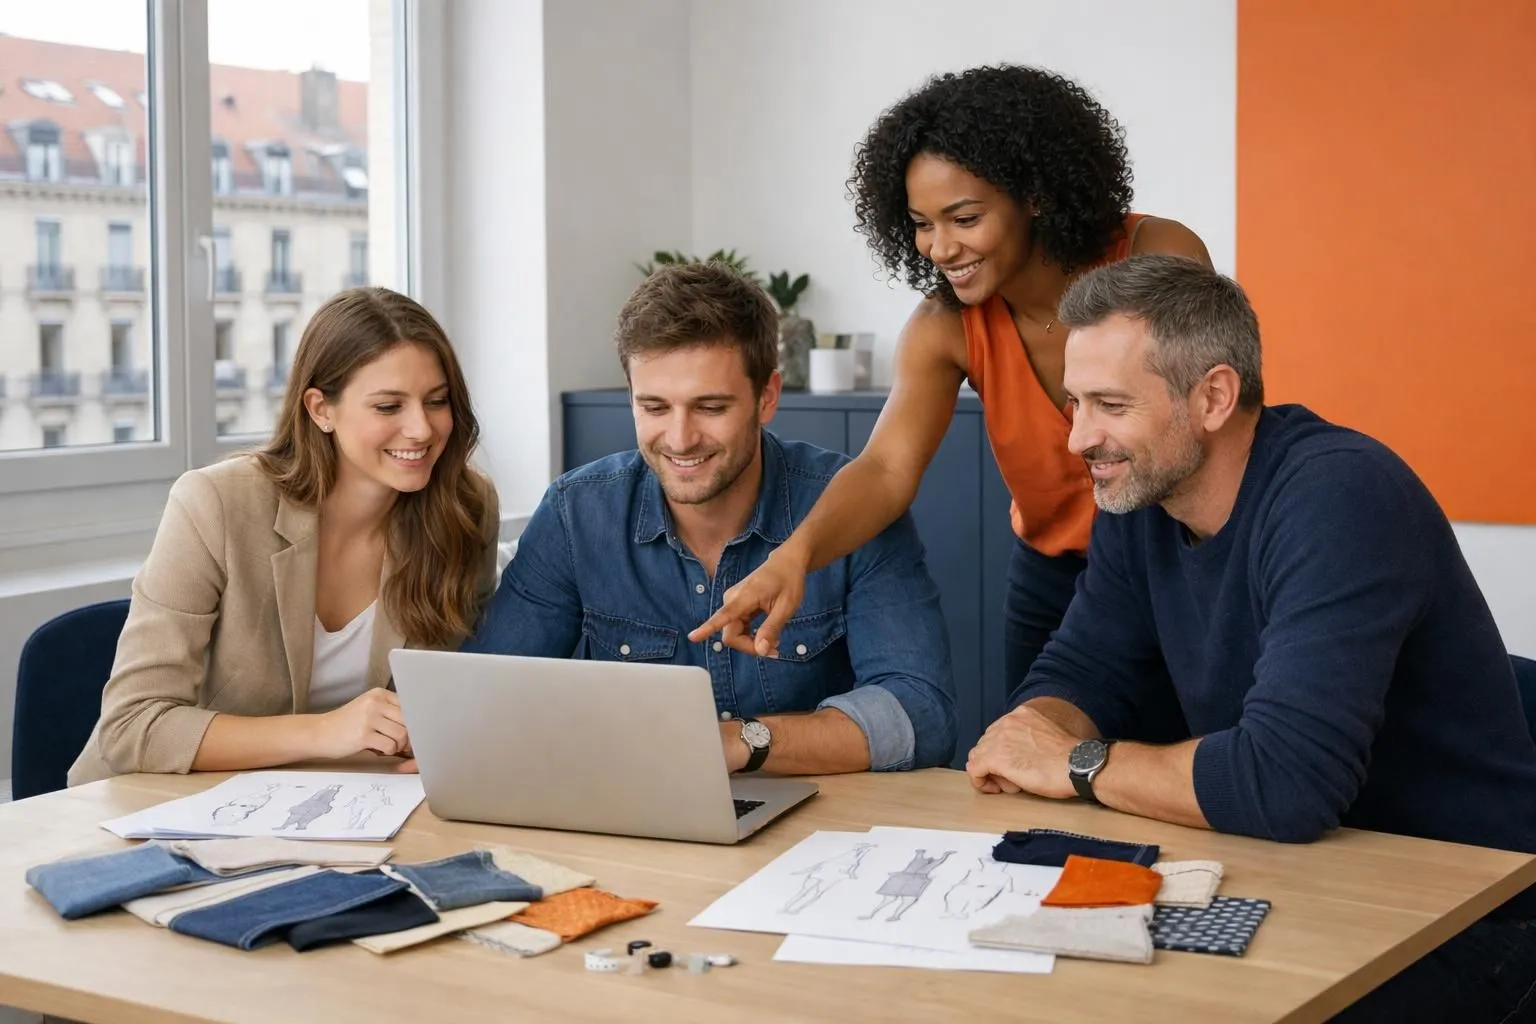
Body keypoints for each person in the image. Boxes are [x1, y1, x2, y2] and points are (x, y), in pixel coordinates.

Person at [965, 254, 1536, 1022]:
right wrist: (1030, 731)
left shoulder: (1340, 497)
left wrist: (1072, 761)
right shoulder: (1140, 501)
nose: (1077, 440)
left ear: (1214, 396)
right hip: (1299, 876)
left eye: (1109, 404)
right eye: (1075, 403)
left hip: (1471, 913)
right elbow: (1081, 670)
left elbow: (1286, 783)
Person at [691, 64, 1211, 695]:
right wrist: (793, 558)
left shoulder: (1158, 256)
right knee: (1030, 769)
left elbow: (1205, 429)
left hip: (1173, 563)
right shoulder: (945, 326)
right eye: (921, 222)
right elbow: (885, 470)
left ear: (1035, 195)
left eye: (964, 219)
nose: (938, 248)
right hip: (1053, 579)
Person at [463, 262, 957, 775]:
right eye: (654, 407)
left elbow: (921, 714)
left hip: (813, 833)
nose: (679, 439)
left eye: (710, 407)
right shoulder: (576, 514)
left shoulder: (851, 507)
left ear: (766, 397)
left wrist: (743, 742)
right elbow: (486, 696)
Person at [68, 287, 500, 786]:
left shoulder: (464, 508)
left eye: (437, 401)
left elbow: (464, 684)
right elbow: (132, 726)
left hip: (346, 803)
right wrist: (323, 733)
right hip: (159, 805)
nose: (421, 429)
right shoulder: (217, 503)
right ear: (320, 409)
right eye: (388, 407)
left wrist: (447, 733)